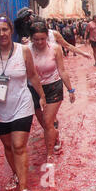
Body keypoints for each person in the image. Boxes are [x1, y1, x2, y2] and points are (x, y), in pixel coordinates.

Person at [0, 14, 46, 191]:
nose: (2, 33)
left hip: (22, 105)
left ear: (11, 31)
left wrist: (42, 95)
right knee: (8, 146)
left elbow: (32, 76)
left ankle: (23, 187)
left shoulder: (23, 51)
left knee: (19, 145)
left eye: (5, 29)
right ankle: (16, 173)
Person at [28, 22, 75, 163]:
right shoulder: (26, 50)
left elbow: (62, 70)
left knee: (48, 121)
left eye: (43, 39)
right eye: (36, 39)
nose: (40, 42)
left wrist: (70, 89)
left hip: (53, 87)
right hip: (35, 89)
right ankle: (56, 135)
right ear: (31, 38)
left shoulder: (55, 49)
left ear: (47, 37)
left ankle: (49, 154)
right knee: (43, 122)